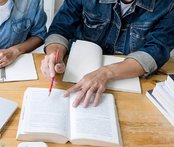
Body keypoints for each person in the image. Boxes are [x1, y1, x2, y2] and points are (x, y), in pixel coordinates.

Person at [41, 0, 174, 108]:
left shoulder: (168, 4)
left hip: (129, 81)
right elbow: (60, 29)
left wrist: (105, 73)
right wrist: (54, 55)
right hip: (74, 76)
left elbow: (156, 50)